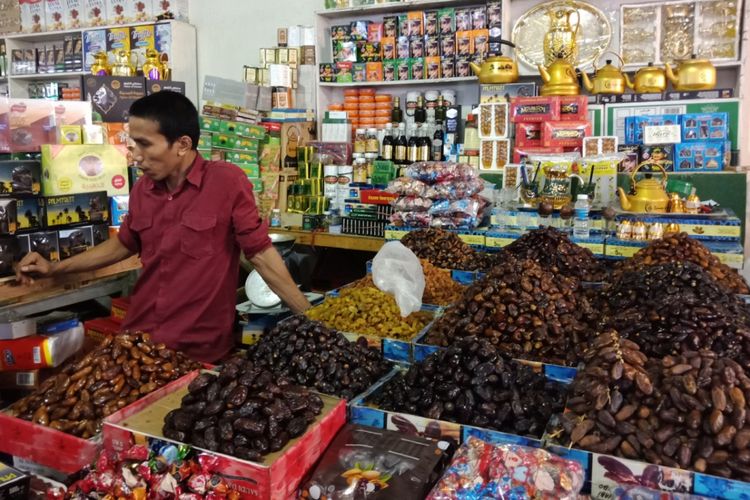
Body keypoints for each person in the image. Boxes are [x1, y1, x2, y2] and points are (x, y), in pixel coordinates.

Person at [16, 91, 311, 363]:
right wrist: (55, 268)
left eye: (145, 144)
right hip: (138, 342)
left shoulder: (227, 183)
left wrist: (311, 317)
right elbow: (123, 243)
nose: (135, 155)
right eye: (133, 143)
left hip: (196, 350)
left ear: (182, 144)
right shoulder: (144, 189)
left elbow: (260, 253)